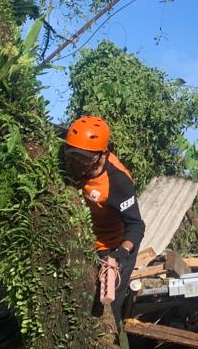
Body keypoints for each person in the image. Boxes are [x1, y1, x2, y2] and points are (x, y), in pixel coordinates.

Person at [62, 115, 145, 329]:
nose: (76, 165)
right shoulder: (71, 162)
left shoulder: (118, 183)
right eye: (72, 157)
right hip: (87, 242)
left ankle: (118, 346)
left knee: (107, 309)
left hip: (114, 248)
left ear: (102, 155)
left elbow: (136, 226)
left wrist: (121, 253)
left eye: (83, 159)